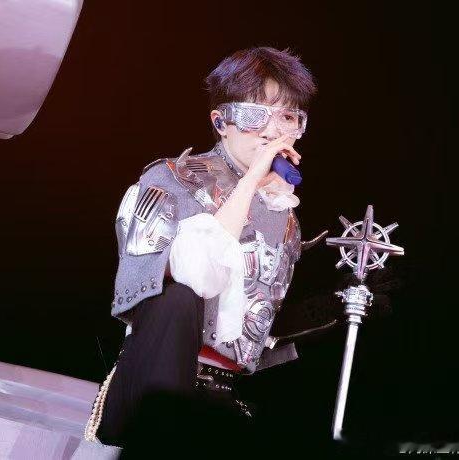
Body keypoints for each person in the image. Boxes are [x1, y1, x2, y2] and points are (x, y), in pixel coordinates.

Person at [85, 46, 338, 451]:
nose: (272, 132)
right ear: (221, 122)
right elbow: (195, 279)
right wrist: (251, 181)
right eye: (255, 115)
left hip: (222, 396)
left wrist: (335, 308)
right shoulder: (173, 179)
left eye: (288, 117)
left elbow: (247, 324)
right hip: (156, 387)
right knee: (179, 298)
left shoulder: (285, 216)